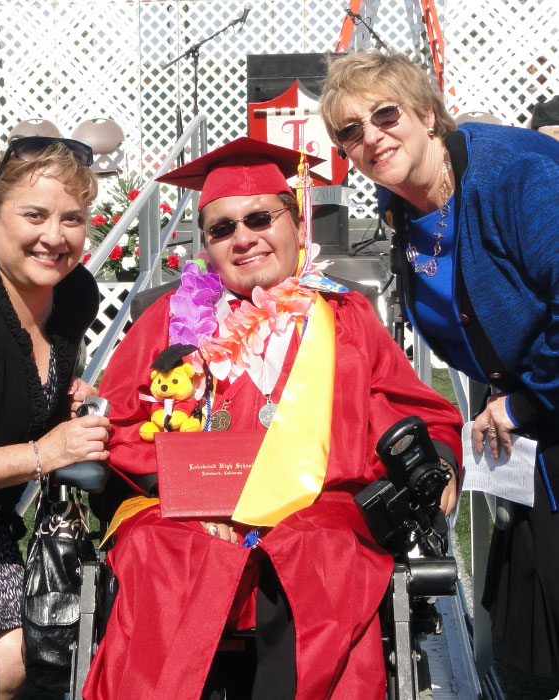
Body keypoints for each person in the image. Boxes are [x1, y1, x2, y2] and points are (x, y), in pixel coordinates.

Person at [83, 136, 462, 700]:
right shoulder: (171, 317)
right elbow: (116, 421)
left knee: (320, 550)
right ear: (206, 246)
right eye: (222, 229)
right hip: (184, 513)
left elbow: (412, 410)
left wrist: (441, 464)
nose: (243, 239)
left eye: (260, 218)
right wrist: (188, 500)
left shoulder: (345, 316)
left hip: (318, 508)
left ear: (296, 223)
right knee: (163, 550)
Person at [319, 49, 559, 683]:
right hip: (524, 421)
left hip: (544, 401)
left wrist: (526, 402)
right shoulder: (402, 206)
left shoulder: (517, 176)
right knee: (523, 639)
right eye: (350, 131)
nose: (371, 136)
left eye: (385, 114)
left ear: (428, 114)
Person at [0, 136, 110, 700]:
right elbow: (41, 446)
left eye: (73, 219)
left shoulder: (73, 292)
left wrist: (73, 402)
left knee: (15, 667)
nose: (55, 237)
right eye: (34, 215)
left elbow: (22, 397)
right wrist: (45, 454)